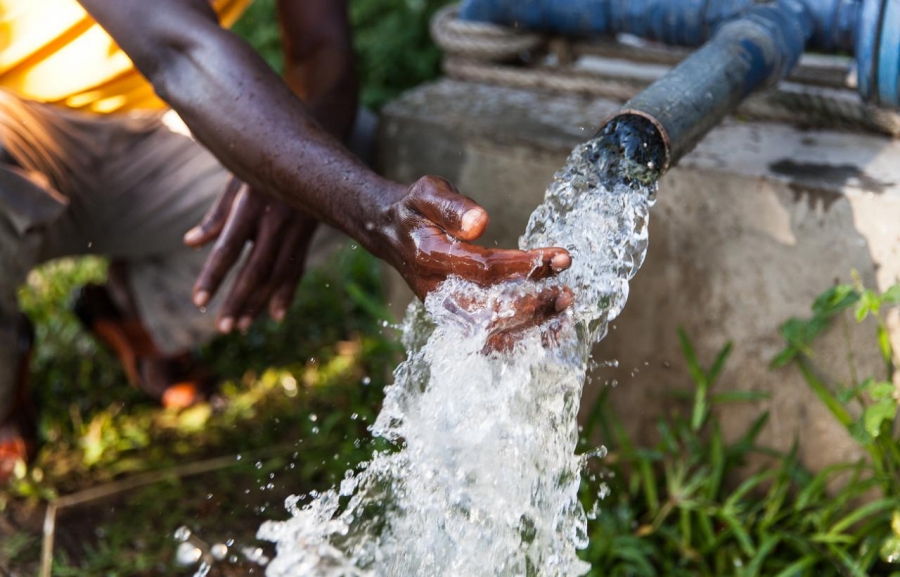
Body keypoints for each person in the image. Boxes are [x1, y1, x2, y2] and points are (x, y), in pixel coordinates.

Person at [0, 0, 573, 481]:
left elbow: (323, 52)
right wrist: (375, 214)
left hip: (158, 121)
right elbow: (179, 50)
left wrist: (294, 169)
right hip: (19, 118)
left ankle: (139, 315)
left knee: (343, 162)